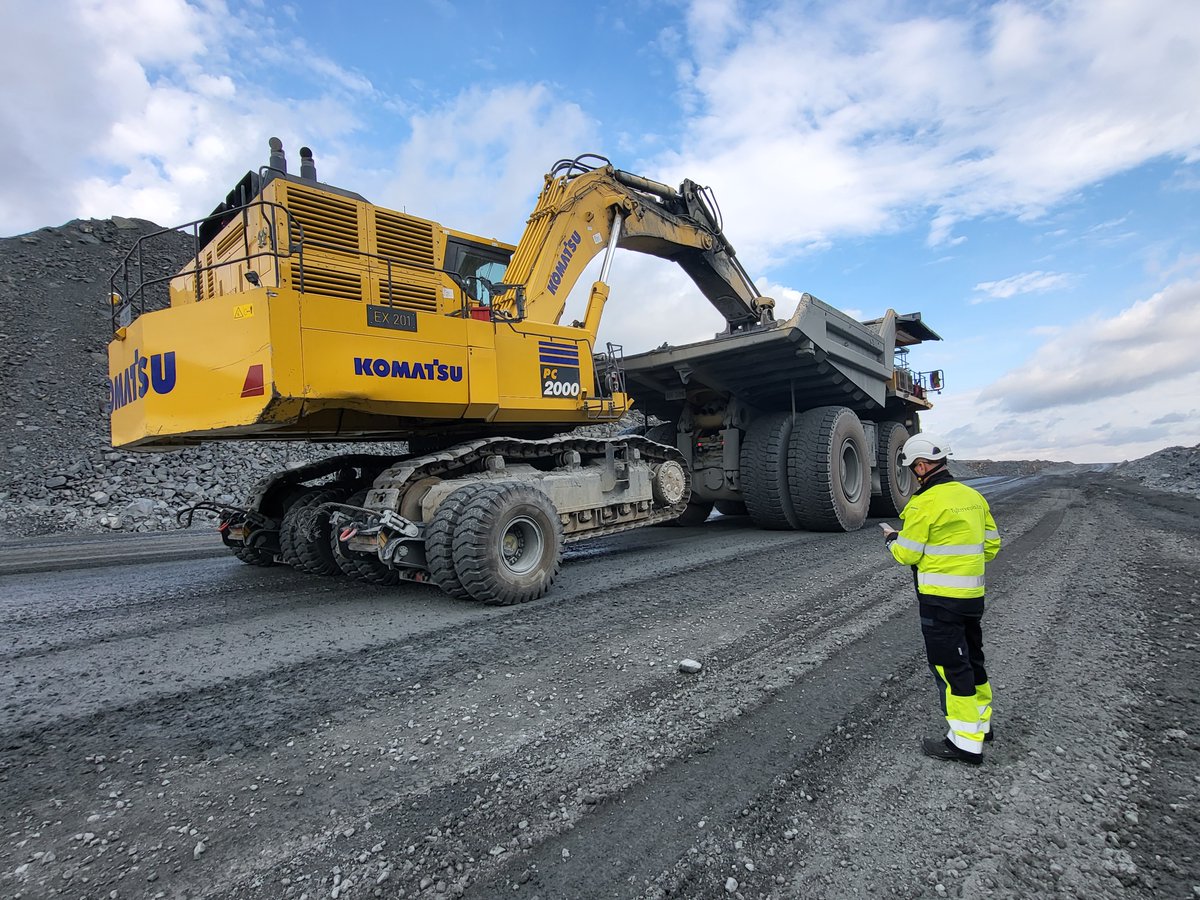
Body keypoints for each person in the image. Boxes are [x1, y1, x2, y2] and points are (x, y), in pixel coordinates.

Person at [881, 433, 1001, 765]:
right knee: (973, 659)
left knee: (951, 669)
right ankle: (982, 724)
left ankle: (965, 742)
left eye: (913, 467)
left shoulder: (924, 503)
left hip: (938, 600)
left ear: (921, 466)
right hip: (971, 598)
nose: (913, 473)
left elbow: (907, 554)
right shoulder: (973, 497)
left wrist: (892, 538)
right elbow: (991, 546)